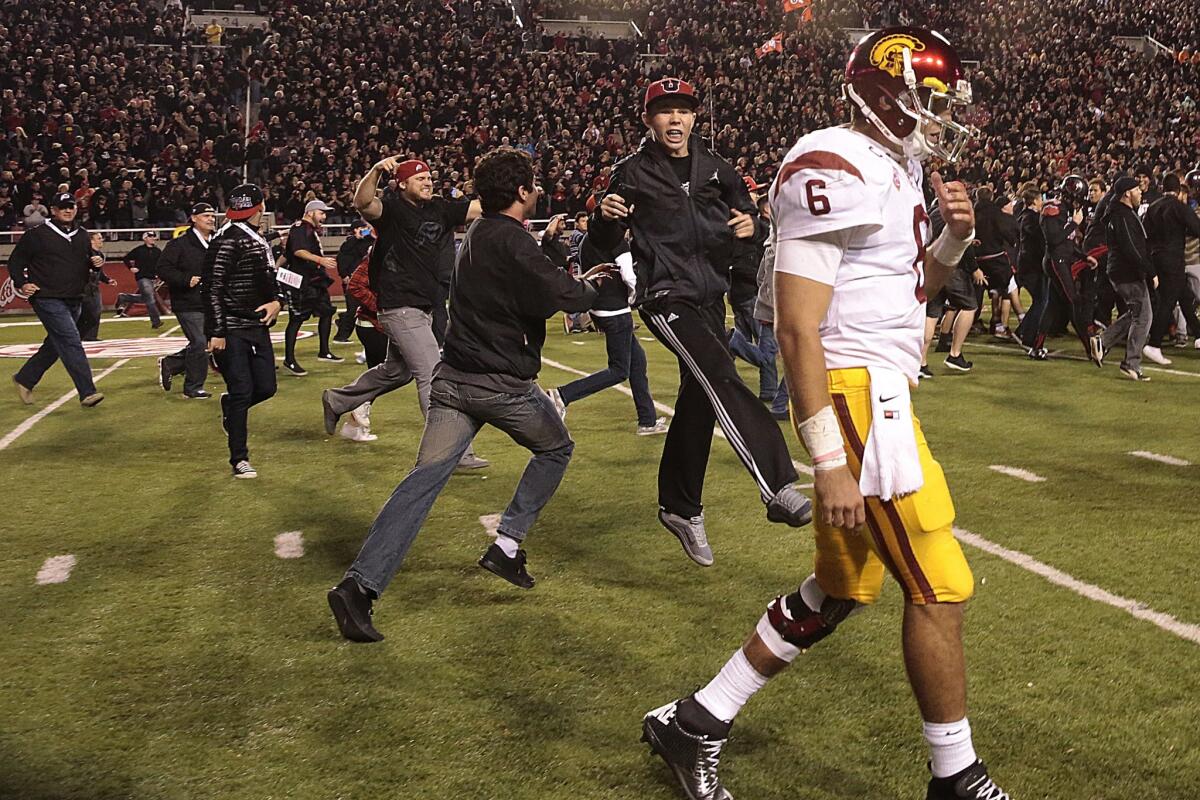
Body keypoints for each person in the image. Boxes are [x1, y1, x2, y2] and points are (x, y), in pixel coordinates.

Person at [641, 28, 1010, 800]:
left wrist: (952, 239)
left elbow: (913, 296)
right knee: (942, 586)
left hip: (877, 387)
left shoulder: (897, 165)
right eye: (929, 97)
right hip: (854, 397)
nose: (940, 114)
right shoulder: (831, 162)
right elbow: (798, 325)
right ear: (883, 93)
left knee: (838, 591)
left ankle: (696, 722)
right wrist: (830, 459)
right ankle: (957, 778)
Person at [326, 146, 614, 643]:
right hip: (499, 385)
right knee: (556, 447)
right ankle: (506, 545)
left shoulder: (477, 232)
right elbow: (562, 296)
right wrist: (589, 285)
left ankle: (359, 587)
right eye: (533, 186)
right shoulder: (511, 238)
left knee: (422, 482)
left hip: (453, 381)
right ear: (523, 192)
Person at [589, 77, 812, 567]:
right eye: (665, 111)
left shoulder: (717, 168)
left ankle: (679, 507)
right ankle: (777, 485)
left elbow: (745, 228)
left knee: (701, 395)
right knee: (719, 372)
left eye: (683, 111)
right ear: (648, 120)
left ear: (694, 117)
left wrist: (753, 227)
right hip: (665, 295)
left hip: (712, 296)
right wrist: (604, 220)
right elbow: (598, 245)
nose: (675, 119)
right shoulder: (629, 174)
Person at [321, 157, 488, 471]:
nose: (427, 182)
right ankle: (453, 453)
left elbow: (482, 208)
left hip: (423, 307)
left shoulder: (440, 208)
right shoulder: (392, 209)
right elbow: (362, 202)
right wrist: (374, 170)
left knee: (395, 372)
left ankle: (338, 400)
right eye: (419, 178)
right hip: (399, 306)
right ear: (401, 184)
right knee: (432, 375)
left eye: (429, 177)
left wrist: (514, 190)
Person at [545, 208, 668, 435]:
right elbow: (629, 276)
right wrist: (635, 298)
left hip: (599, 306)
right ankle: (562, 395)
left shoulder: (587, 240)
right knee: (620, 370)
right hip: (615, 309)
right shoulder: (616, 241)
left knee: (637, 363)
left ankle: (647, 420)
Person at [203, 184, 284, 478]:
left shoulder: (255, 237)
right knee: (241, 390)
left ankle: (230, 407)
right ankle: (239, 458)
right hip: (232, 326)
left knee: (266, 387)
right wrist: (218, 331)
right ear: (261, 207)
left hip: (256, 323)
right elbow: (212, 288)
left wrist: (278, 302)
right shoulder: (226, 239)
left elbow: (269, 279)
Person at [10, 192, 105, 408]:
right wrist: (21, 283)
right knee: (71, 340)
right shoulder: (37, 234)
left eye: (71, 206)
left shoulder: (81, 234)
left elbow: (87, 259)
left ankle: (25, 378)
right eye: (63, 207)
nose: (68, 210)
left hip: (74, 298)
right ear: (53, 210)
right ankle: (87, 392)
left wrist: (95, 262)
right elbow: (15, 261)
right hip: (46, 297)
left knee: (55, 344)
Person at [1090, 177, 1156, 381]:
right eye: (1137, 189)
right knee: (1144, 317)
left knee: (1137, 313)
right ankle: (1131, 364)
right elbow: (1131, 248)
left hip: (1120, 270)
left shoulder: (1120, 214)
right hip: (1127, 271)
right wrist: (1150, 271)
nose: (1140, 192)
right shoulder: (1123, 216)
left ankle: (1103, 341)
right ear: (1127, 193)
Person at [157, 202, 217, 399]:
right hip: (187, 301)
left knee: (206, 343)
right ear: (193, 218)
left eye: (212, 215)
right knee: (199, 342)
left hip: (210, 301)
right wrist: (185, 280)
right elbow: (163, 269)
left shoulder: (216, 242)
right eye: (205, 215)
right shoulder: (180, 244)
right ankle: (193, 387)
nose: (210, 219)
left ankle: (172, 363)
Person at [1031, 174, 1092, 360]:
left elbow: (1067, 242)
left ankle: (1037, 347)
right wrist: (1074, 223)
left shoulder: (1064, 210)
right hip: (1055, 262)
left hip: (1061, 260)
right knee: (1074, 302)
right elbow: (1054, 239)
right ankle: (1091, 348)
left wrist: (1084, 256)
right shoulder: (1053, 209)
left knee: (1052, 305)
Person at [279, 199, 342, 374]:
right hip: (302, 282)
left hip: (315, 280)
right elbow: (298, 251)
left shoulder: (308, 229)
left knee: (327, 312)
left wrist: (275, 267)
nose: (323, 217)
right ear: (310, 212)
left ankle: (324, 351)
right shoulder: (300, 228)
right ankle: (289, 360)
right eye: (321, 213)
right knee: (297, 319)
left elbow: (287, 253)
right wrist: (320, 260)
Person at [1143, 174, 1200, 363]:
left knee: (1184, 296)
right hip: (1173, 258)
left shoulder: (1153, 207)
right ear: (1179, 189)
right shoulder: (1178, 207)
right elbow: (1196, 228)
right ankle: (1154, 344)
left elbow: (1146, 234)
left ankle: (1199, 335)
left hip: (1156, 258)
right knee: (1168, 300)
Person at [1014, 181, 1047, 347]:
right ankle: (1026, 334)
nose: (1042, 202)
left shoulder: (1026, 216)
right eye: (1040, 199)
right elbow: (1038, 238)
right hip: (1031, 266)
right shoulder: (1030, 218)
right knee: (1041, 301)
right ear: (1034, 201)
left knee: (1040, 300)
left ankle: (1023, 330)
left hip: (1029, 265)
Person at [332, 220, 375, 344]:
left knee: (364, 308)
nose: (365, 229)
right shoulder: (349, 243)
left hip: (367, 281)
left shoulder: (370, 241)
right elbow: (341, 259)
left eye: (366, 227)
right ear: (355, 229)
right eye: (362, 227)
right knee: (353, 309)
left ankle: (341, 321)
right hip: (352, 281)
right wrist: (344, 275)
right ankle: (341, 336)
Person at [120, 231, 164, 328]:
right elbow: (126, 258)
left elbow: (160, 264)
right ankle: (156, 321)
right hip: (142, 277)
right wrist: (131, 268)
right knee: (150, 299)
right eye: (150, 237)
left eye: (153, 237)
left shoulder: (157, 251)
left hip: (152, 278)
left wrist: (159, 275)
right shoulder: (139, 250)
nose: (152, 238)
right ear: (145, 239)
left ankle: (124, 297)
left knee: (146, 299)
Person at [77, 231, 114, 341]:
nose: (101, 240)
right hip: (83, 287)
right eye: (99, 238)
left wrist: (107, 280)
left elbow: (99, 271)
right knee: (81, 313)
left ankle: (91, 336)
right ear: (91, 241)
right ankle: (79, 335)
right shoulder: (84, 254)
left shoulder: (100, 254)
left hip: (94, 287)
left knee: (96, 312)